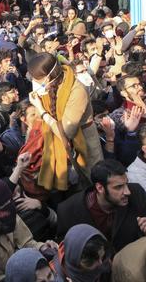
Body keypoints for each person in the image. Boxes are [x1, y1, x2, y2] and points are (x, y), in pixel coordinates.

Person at [27, 52, 103, 192]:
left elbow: (66, 132)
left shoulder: (77, 90)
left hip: (84, 142)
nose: (35, 82)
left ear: (49, 77)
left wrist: (41, 109)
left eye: (37, 79)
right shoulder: (50, 87)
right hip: (60, 145)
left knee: (91, 181)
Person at [56, 159, 146, 253]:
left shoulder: (136, 193)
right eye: (118, 187)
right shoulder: (68, 211)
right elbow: (66, 251)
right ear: (100, 188)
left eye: (126, 184)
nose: (127, 192)